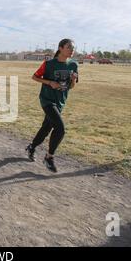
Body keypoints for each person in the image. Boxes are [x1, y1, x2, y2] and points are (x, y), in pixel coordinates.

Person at [26, 39, 79, 173]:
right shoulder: (49, 64)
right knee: (60, 128)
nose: (72, 50)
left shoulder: (73, 65)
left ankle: (32, 147)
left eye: (73, 48)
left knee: (46, 127)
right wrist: (49, 82)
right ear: (60, 48)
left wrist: (73, 80)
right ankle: (49, 157)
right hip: (47, 99)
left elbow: (72, 86)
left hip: (60, 101)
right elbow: (35, 77)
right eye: (69, 47)